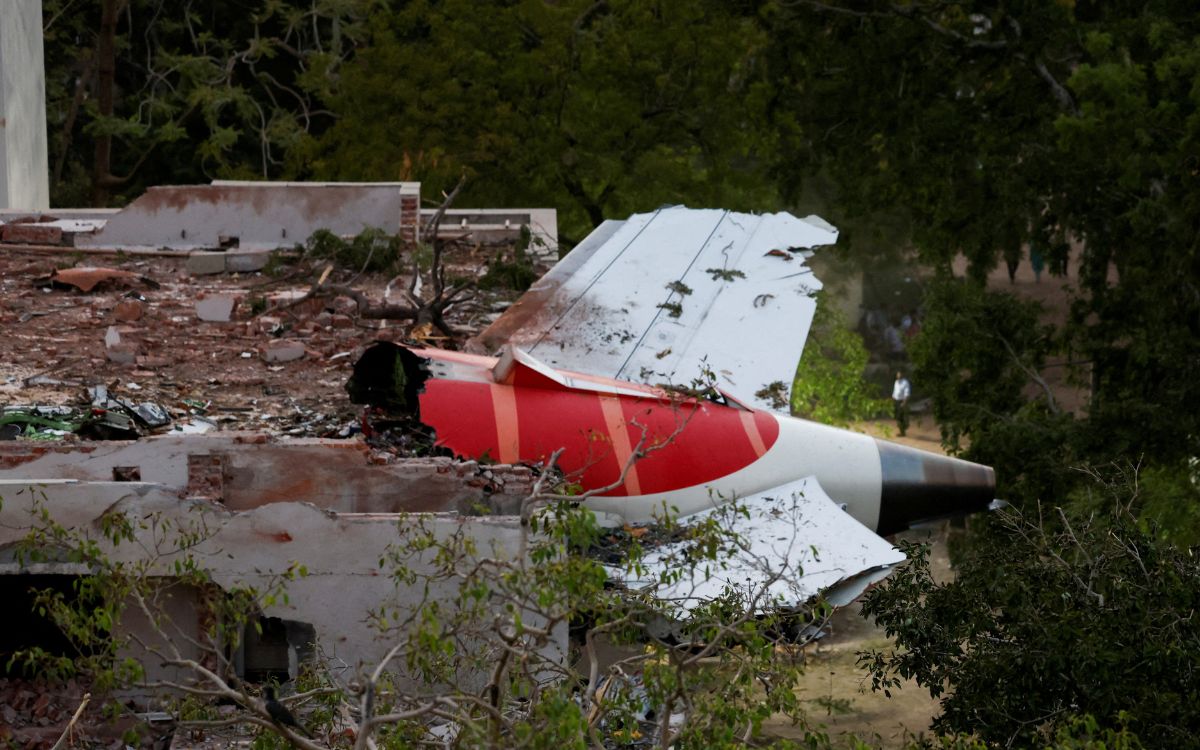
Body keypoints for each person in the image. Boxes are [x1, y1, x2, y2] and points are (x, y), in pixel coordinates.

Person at [892, 371, 911, 437]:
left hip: (902, 401)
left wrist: (904, 402)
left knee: (902, 416)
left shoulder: (905, 383)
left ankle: (905, 427)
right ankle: (902, 431)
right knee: (898, 417)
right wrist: (893, 398)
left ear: (902, 375)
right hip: (896, 401)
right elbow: (895, 391)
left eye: (899, 375)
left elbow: (907, 393)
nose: (898, 376)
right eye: (897, 375)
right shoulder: (896, 382)